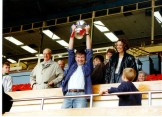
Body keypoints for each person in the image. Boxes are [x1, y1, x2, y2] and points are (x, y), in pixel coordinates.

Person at [61, 24, 93, 108]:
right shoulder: (72, 65)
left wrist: (87, 32)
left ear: (85, 58)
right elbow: (70, 50)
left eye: (82, 57)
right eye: (78, 57)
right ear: (75, 58)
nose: (80, 59)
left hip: (81, 95)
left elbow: (89, 50)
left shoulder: (87, 67)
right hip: (68, 94)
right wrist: (72, 32)